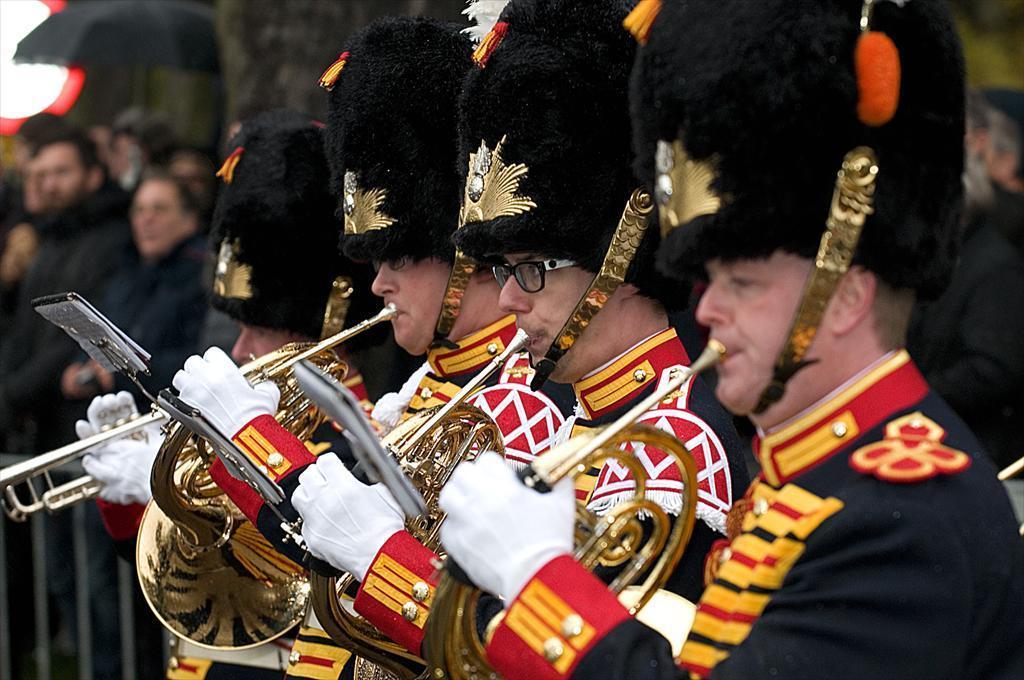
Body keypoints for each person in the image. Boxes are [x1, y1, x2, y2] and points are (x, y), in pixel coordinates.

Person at [436, 1, 1024, 679]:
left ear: (845, 292)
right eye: (707, 277)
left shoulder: (901, 515)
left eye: (741, 282)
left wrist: (537, 581)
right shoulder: (813, 473)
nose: (706, 308)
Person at [171, 15, 576, 674]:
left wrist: (250, 439)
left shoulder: (529, 398)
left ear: (462, 254)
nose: (379, 280)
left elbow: (466, 626)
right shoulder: (424, 389)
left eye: (400, 254)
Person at [78, 109, 380, 680]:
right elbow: (171, 573)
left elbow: (304, 576)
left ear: (323, 321)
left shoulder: (351, 433)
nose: (242, 347)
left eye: (260, 327)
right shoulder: (264, 417)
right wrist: (133, 496)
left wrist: (183, 493)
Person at [0, 128, 130, 454]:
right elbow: (23, 323)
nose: (50, 184)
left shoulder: (112, 240)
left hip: (71, 418)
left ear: (94, 176)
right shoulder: (49, 234)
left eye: (62, 172)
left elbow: (76, 331)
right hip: (32, 413)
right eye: (43, 174)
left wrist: (12, 394)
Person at [60, 171, 207, 404]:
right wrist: (80, 365)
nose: (146, 219)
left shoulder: (204, 275)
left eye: (159, 209)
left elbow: (203, 357)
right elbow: (101, 330)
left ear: (189, 219)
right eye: (139, 210)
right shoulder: (125, 272)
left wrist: (126, 374)